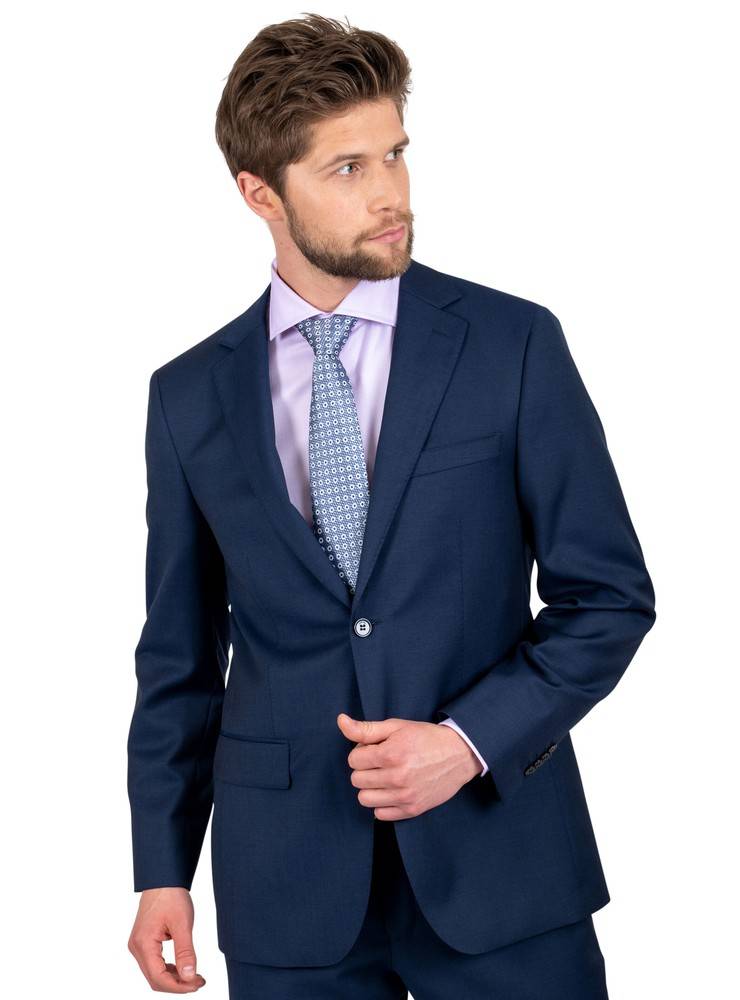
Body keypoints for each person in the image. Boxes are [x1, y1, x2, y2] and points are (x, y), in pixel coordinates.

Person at [126, 13, 656, 998]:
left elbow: (608, 598)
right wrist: (162, 867)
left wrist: (465, 742)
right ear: (260, 193)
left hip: (502, 870)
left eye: (395, 155)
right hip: (287, 889)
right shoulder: (187, 396)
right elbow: (179, 661)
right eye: (346, 169)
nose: (390, 195)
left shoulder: (510, 345)